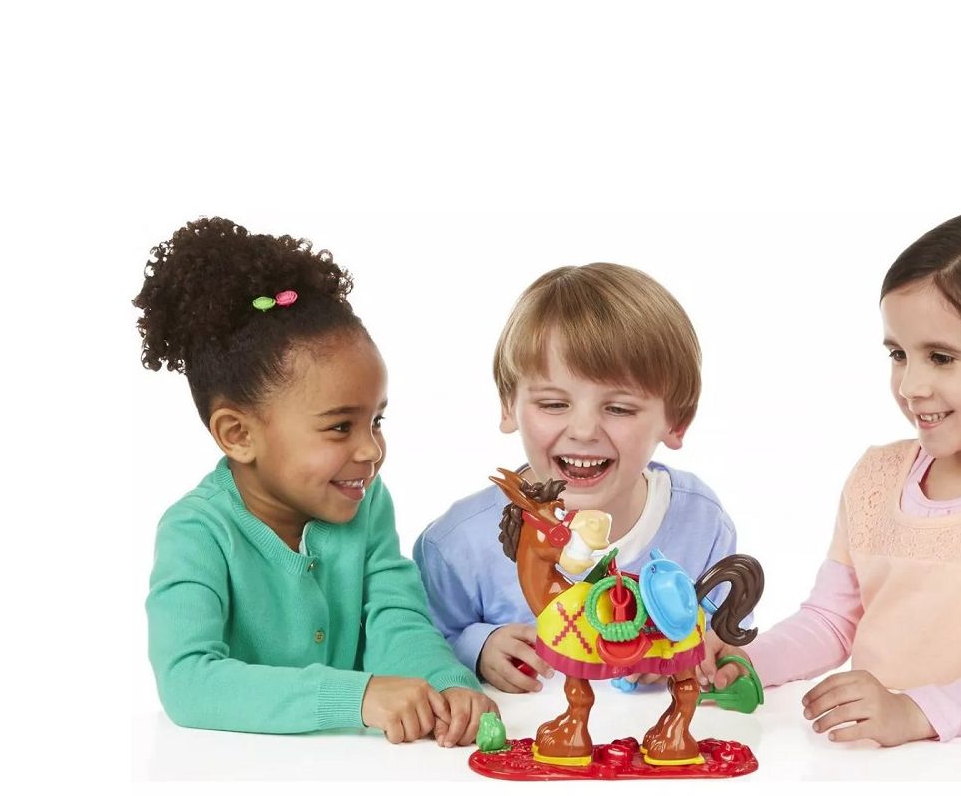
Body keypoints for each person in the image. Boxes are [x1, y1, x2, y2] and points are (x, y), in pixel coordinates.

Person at [706, 210, 961, 746]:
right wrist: (748, 658)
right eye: (898, 355)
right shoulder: (877, 475)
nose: (910, 386)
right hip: (883, 766)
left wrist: (914, 712)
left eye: (941, 357)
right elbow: (831, 620)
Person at [137, 217, 496, 745]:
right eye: (339, 427)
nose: (371, 450)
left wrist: (445, 683)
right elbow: (188, 681)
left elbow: (396, 616)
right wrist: (359, 696)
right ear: (239, 434)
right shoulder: (196, 531)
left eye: (377, 420)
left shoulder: (365, 502)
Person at [415, 263, 738, 693]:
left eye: (619, 408)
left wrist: (703, 654)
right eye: (553, 404)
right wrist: (476, 646)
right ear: (509, 405)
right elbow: (414, 645)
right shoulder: (457, 544)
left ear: (676, 421)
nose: (584, 431)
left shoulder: (702, 524)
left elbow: (727, 640)